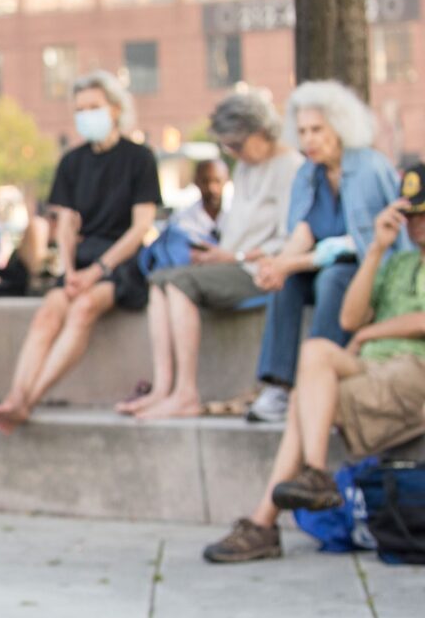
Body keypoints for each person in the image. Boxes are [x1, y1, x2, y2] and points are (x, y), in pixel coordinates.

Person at [204, 167, 425, 563]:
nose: (416, 225)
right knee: (316, 351)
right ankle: (315, 473)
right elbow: (349, 320)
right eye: (411, 216)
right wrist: (376, 248)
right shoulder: (398, 263)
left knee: (304, 402)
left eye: (423, 216)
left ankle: (265, 521)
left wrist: (369, 336)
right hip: (373, 370)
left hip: (413, 370)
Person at [0, 70, 161, 434]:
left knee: (83, 309)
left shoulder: (139, 158)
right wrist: (69, 270)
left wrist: (98, 270)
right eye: (80, 109)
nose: (87, 115)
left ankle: (29, 399)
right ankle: (16, 395)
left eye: (94, 107)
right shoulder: (72, 162)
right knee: (49, 313)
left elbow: (140, 226)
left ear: (115, 109)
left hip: (122, 264)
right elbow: (65, 223)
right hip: (79, 263)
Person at [122, 93, 304, 419]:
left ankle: (185, 393)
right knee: (160, 279)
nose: (232, 153)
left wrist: (234, 255)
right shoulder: (248, 168)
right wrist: (216, 252)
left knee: (178, 282)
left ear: (260, 132)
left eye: (236, 145)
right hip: (231, 260)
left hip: (257, 270)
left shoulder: (290, 167)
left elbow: (289, 240)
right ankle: (163, 388)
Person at [242, 80, 407, 423]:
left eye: (317, 129)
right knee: (286, 282)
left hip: (366, 271)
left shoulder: (370, 167)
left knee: (333, 278)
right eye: (302, 131)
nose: (309, 140)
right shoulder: (308, 173)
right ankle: (277, 385)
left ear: (340, 126)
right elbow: (304, 229)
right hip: (321, 266)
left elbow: (355, 244)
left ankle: (312, 381)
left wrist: (292, 262)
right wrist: (278, 265)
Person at [171, 158, 230, 246]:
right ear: (196, 181)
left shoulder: (238, 215)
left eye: (217, 181)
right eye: (205, 181)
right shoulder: (181, 220)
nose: (211, 188)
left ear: (226, 180)